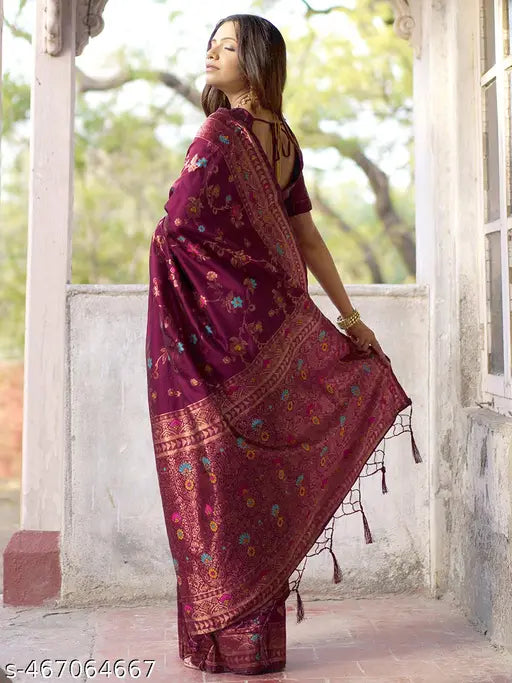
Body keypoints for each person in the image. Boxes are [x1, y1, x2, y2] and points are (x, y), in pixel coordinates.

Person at [145, 13, 421, 675]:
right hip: (270, 334)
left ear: (257, 60)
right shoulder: (284, 140)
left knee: (213, 480)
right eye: (212, 43)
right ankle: (255, 642)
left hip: (218, 339)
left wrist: (186, 252)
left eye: (229, 45)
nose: (212, 52)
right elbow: (305, 238)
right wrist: (349, 316)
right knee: (256, 480)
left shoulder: (219, 133)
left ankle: (222, 641)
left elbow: (179, 223)